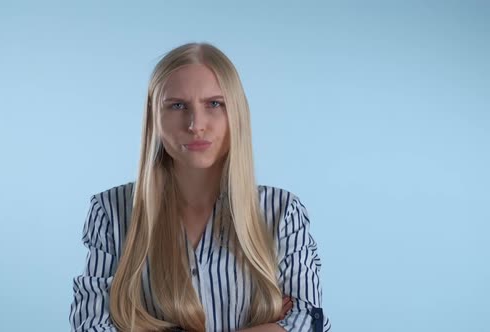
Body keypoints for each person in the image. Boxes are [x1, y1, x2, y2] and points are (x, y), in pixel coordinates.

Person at [68, 42, 331, 332]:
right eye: (178, 105)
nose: (196, 124)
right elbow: (91, 326)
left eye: (214, 104)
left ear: (237, 114)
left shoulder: (282, 212)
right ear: (154, 117)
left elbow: (308, 321)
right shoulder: (111, 210)